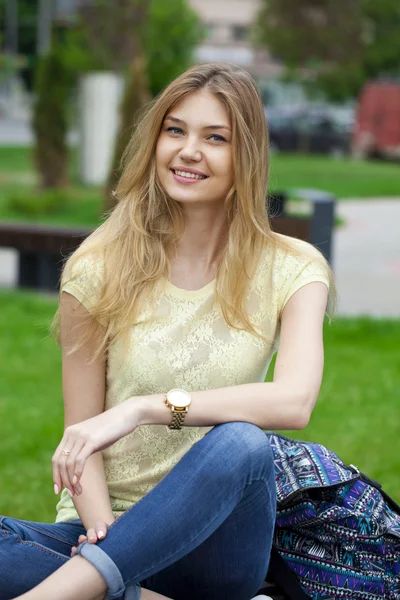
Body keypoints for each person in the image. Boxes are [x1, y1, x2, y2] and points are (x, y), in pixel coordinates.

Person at [0, 62, 335, 600]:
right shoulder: (98, 267)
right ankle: (115, 590)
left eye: (215, 138)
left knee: (243, 444)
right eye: (174, 130)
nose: (187, 151)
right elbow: (81, 437)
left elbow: (293, 402)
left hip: (216, 542)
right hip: (103, 528)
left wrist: (144, 407)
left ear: (245, 155)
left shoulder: (293, 268)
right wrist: (111, 548)